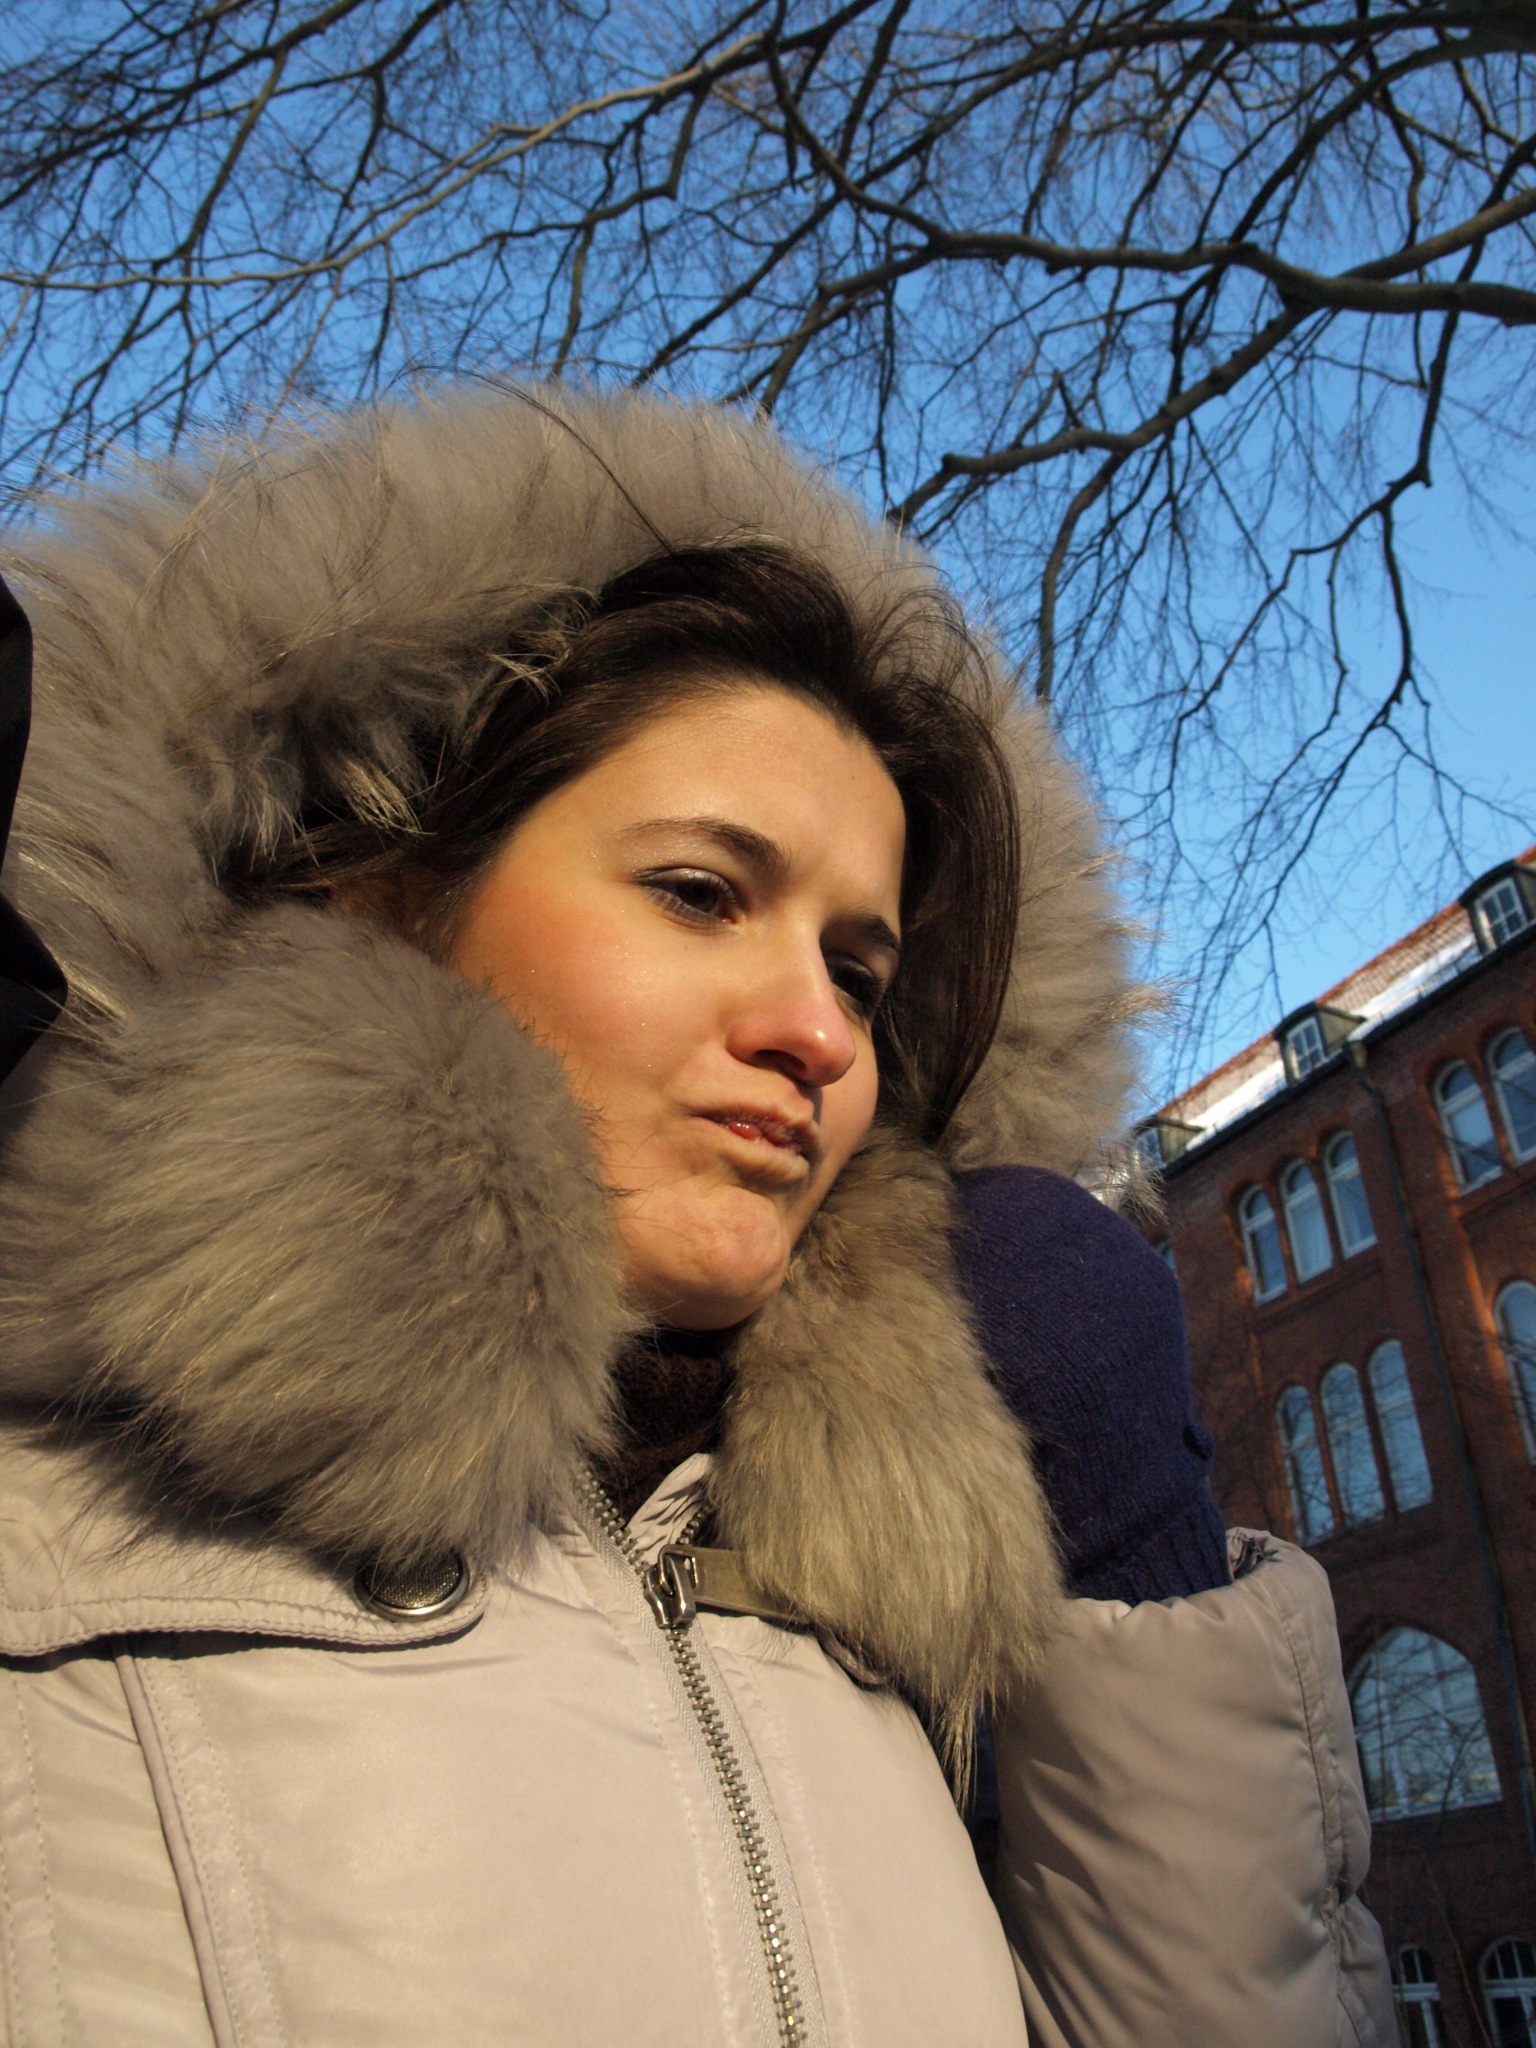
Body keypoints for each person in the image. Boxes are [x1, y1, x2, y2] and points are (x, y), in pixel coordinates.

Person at [0, 385, 1394, 2047]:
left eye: (860, 975)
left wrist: (1132, 1597)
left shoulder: (897, 1609)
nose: (820, 1033)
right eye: (701, 893)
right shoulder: (39, 1526)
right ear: (385, 891)